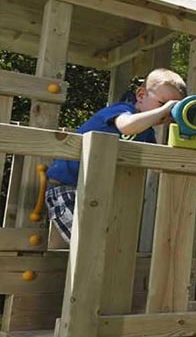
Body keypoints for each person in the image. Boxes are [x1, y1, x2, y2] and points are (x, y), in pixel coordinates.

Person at [45, 68, 187, 243]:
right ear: (141, 95)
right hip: (67, 189)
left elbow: (157, 165)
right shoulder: (121, 110)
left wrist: (186, 137)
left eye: (171, 111)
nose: (166, 113)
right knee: (87, 244)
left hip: (99, 196)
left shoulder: (147, 134)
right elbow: (126, 126)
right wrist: (164, 110)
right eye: (162, 103)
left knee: (107, 245)